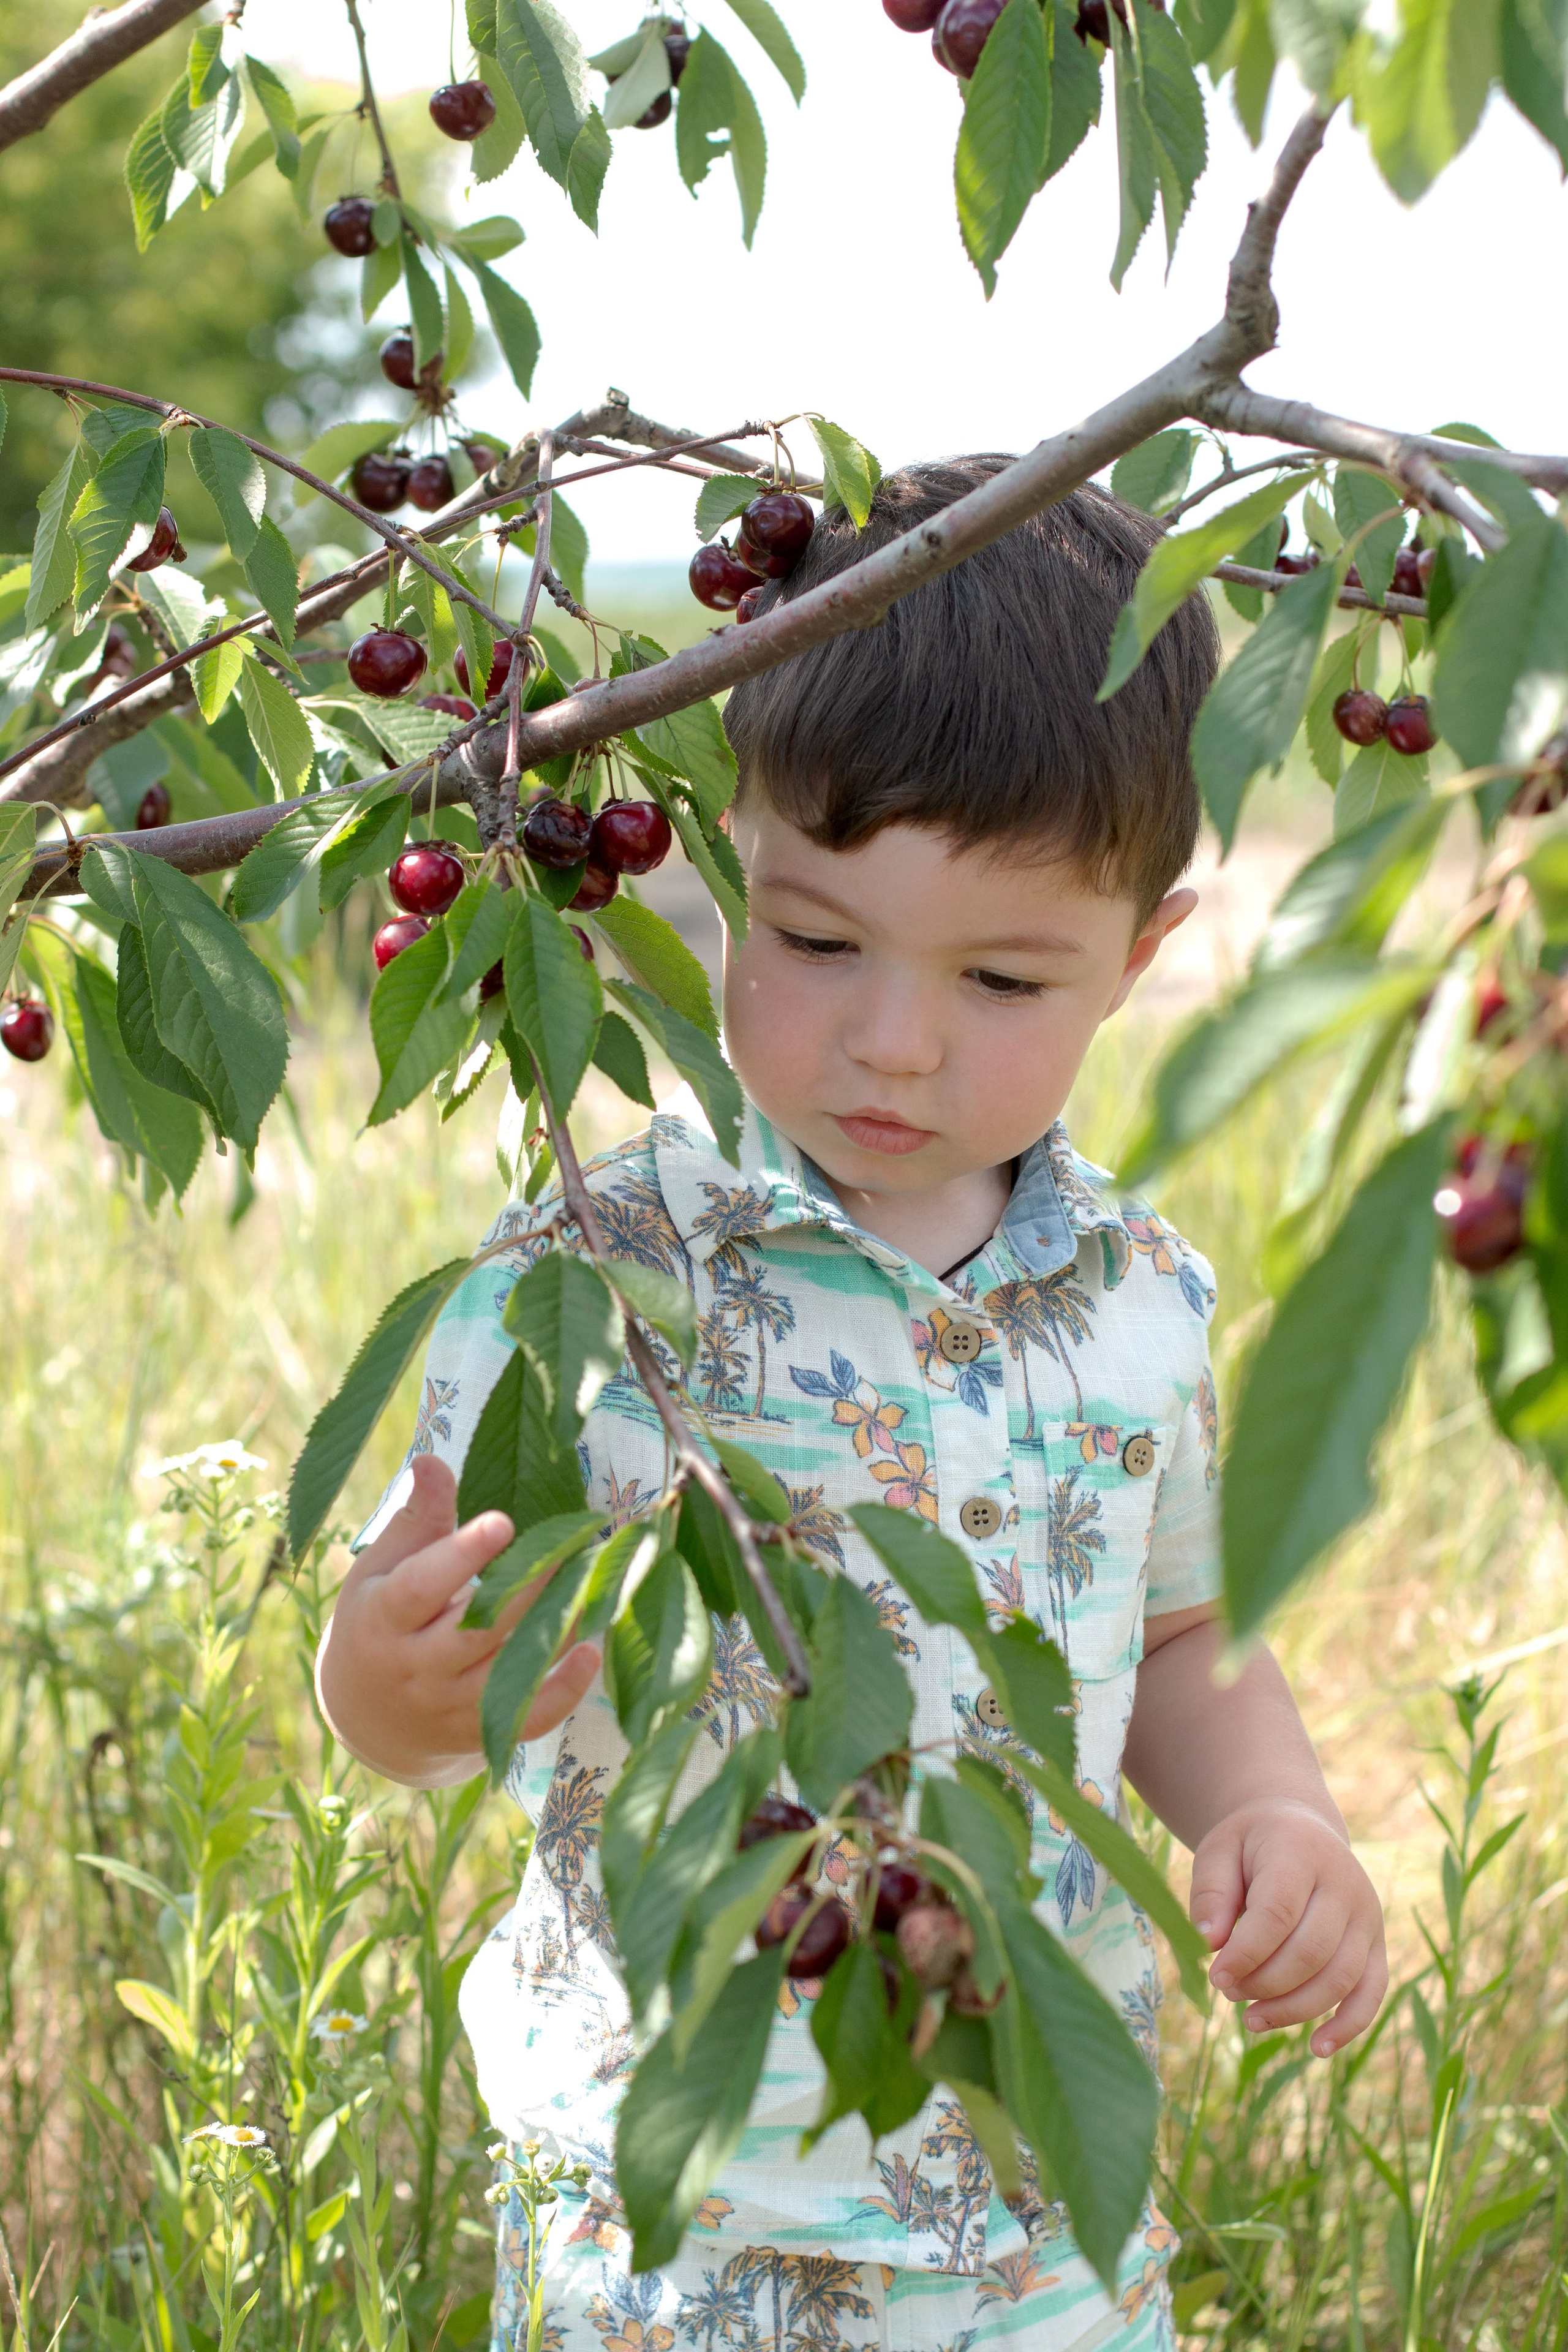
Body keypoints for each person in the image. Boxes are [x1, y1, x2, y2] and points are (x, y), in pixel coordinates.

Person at [316, 456, 1387, 2352]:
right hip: (668, 2220)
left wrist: (1276, 1811)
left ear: (1138, 961)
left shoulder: (1139, 1298)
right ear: (715, 861)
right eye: (815, 943)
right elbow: (418, 1615)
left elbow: (1179, 1632)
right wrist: (393, 1687)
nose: (895, 1043)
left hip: (1036, 2215)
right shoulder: (595, 1273)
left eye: (1003, 977)